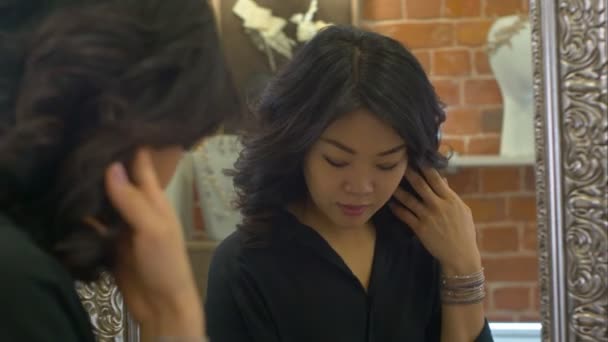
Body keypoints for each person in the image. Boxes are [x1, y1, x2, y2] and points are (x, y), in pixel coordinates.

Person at [205, 25, 495, 342]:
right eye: (337, 161)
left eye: (386, 164)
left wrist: (464, 264)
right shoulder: (244, 266)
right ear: (298, 146)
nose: (360, 187)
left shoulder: (427, 246)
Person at [0, 0, 235, 340]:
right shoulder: (19, 286)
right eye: (183, 144)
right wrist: (173, 317)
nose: (168, 176)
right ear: (127, 129)